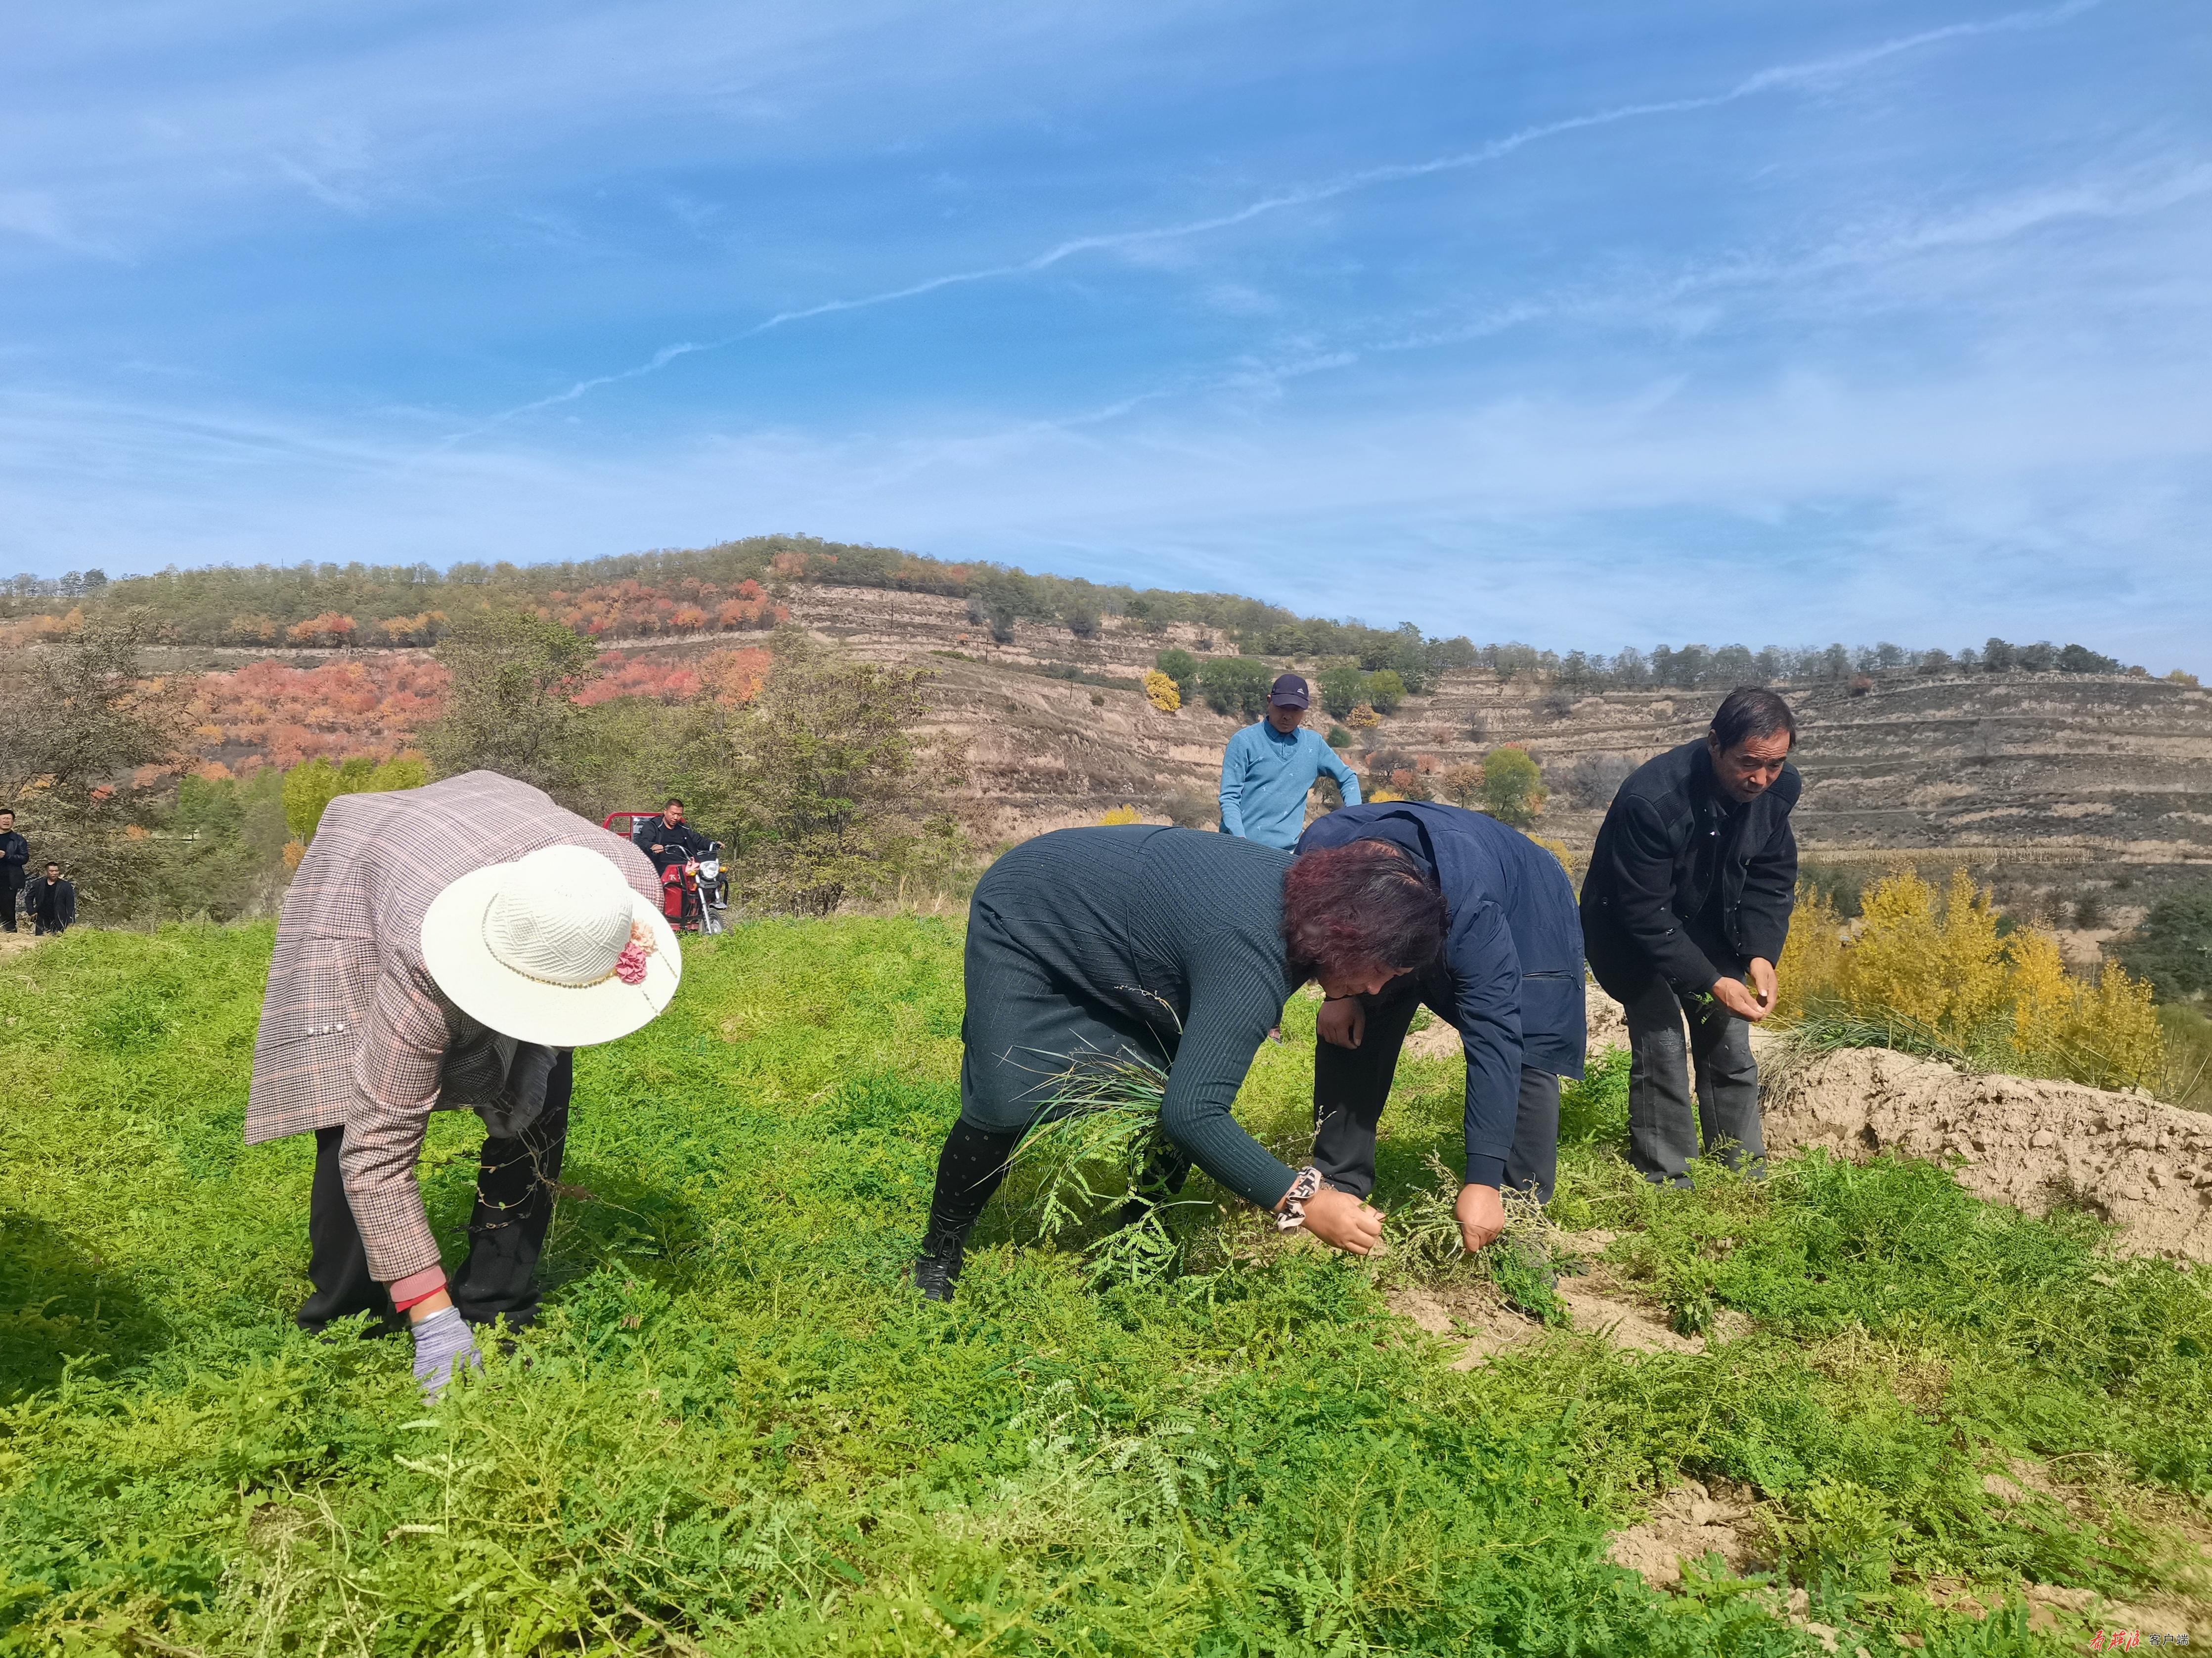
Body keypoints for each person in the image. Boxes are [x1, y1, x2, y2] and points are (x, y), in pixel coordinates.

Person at [245, 771, 682, 1397]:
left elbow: (560, 998)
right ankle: (349, 1314)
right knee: (354, 1106)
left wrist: (532, 1067)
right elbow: (379, 1147)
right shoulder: (418, 952)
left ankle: (498, 1303)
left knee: (539, 1112)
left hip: (516, 865)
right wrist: (432, 1316)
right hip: (377, 866)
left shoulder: (618, 895)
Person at [913, 824, 1447, 1300]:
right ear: (1344, 935)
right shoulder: (1252, 952)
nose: (1376, 988)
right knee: (1005, 1097)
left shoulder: (1308, 912)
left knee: (1170, 1074)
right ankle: (940, 1251)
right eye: (1378, 970)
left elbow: (1185, 1098)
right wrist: (1304, 1201)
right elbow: (1194, 1115)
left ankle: (1139, 1229)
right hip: (1032, 910)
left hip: (1130, 937)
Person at [1296, 801, 1586, 1252]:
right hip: (1395, 897)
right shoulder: (1316, 863)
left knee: (1530, 1047)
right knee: (1354, 1024)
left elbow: (1496, 1037)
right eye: (1375, 970)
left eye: (1387, 973)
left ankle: (1519, 1218)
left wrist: (1484, 1178)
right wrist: (1340, 995)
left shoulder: (1475, 916)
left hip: (1523, 898)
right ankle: (1338, 1186)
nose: (1374, 988)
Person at [1580, 687, 1800, 1187]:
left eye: (1775, 766)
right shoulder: (1652, 800)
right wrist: (1710, 979)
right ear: (1714, 743)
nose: (1760, 779)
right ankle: (1668, 1177)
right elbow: (1643, 911)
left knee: (1729, 1043)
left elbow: (1771, 875)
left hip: (1705, 926)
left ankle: (1741, 1173)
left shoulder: (1776, 794)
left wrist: (1761, 953)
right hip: (1628, 931)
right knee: (1660, 1037)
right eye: (1748, 763)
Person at [1218, 673, 1362, 851]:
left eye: (1295, 710)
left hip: (1286, 855)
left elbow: (1348, 778)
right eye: (1282, 707)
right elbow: (1229, 797)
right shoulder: (1244, 741)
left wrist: (1355, 823)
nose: (1287, 716)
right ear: (1269, 702)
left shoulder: (1314, 745)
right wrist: (1240, 841)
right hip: (1238, 849)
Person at [635, 797, 710, 874]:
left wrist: (713, 844)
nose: (676, 818)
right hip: (660, 866)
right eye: (673, 814)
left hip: (685, 866)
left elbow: (697, 840)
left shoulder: (683, 828)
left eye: (679, 815)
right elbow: (643, 841)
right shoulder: (653, 826)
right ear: (665, 811)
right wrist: (653, 846)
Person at [28, 862, 74, 935]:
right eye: (52, 871)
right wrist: (32, 911)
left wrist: (71, 920)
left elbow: (70, 904)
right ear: (46, 872)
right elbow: (29, 898)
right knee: (40, 941)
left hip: (59, 919)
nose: (55, 873)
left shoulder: (66, 886)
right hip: (42, 918)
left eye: (56, 871)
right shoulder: (39, 884)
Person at [0, 810, 27, 932]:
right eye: (4, 818)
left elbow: (24, 858)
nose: (6, 821)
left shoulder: (18, 840)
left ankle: (10, 932)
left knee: (8, 906)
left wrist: (7, 856)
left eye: (9, 819)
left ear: (13, 822)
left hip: (9, 880)